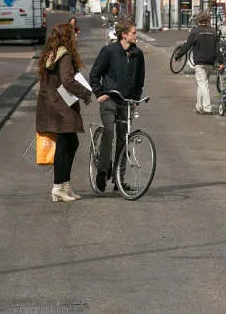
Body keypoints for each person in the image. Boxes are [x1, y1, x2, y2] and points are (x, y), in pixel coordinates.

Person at [36, 23, 93, 202]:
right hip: (61, 106)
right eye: (73, 34)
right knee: (64, 145)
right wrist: (85, 93)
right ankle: (58, 187)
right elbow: (67, 81)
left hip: (51, 104)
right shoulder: (65, 55)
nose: (75, 37)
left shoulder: (51, 53)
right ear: (67, 37)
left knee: (71, 143)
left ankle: (65, 186)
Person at [88, 20, 145, 192]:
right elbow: (94, 74)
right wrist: (99, 93)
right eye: (134, 32)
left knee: (124, 139)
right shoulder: (109, 51)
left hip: (126, 103)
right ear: (124, 35)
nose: (136, 35)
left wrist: (136, 98)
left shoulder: (138, 54)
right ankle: (102, 171)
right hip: (109, 100)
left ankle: (119, 180)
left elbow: (140, 79)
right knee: (109, 132)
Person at [182, 12, 219, 114]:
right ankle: (199, 106)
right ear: (208, 21)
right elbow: (217, 49)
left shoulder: (195, 32)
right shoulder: (213, 32)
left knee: (203, 84)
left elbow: (187, 45)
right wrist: (221, 62)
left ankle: (207, 108)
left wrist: (178, 54)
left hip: (199, 62)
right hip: (210, 62)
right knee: (202, 84)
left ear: (198, 21)